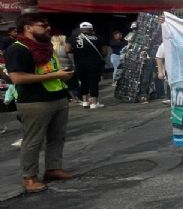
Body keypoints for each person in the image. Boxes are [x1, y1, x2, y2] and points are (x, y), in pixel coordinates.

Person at [4, 13, 75, 193]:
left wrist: (61, 76)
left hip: (57, 96)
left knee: (57, 137)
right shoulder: (17, 49)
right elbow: (17, 78)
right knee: (33, 141)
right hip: (34, 102)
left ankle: (53, 169)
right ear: (28, 27)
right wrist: (55, 75)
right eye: (42, 25)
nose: (47, 28)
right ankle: (29, 178)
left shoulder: (46, 47)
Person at [67, 21, 106, 109]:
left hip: (80, 64)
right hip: (94, 64)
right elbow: (104, 52)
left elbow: (67, 49)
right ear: (91, 29)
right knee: (94, 82)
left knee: (83, 82)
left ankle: (85, 101)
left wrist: (78, 52)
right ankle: (94, 103)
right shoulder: (98, 37)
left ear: (81, 29)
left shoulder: (73, 38)